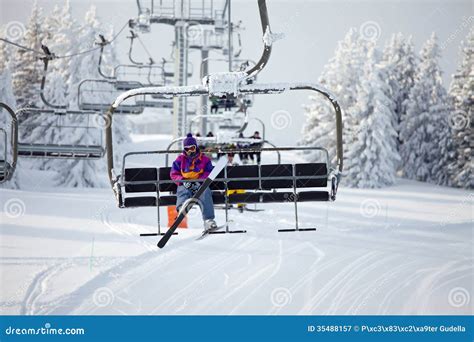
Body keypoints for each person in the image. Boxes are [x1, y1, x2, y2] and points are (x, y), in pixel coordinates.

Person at [170, 133, 217, 231]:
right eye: (187, 149)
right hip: (186, 184)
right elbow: (174, 173)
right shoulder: (180, 160)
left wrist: (200, 181)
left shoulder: (204, 159)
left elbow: (209, 172)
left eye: (192, 148)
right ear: (184, 150)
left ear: (196, 147)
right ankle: (182, 208)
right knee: (182, 191)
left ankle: (208, 220)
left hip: (199, 184)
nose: (190, 151)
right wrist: (182, 181)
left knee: (205, 192)